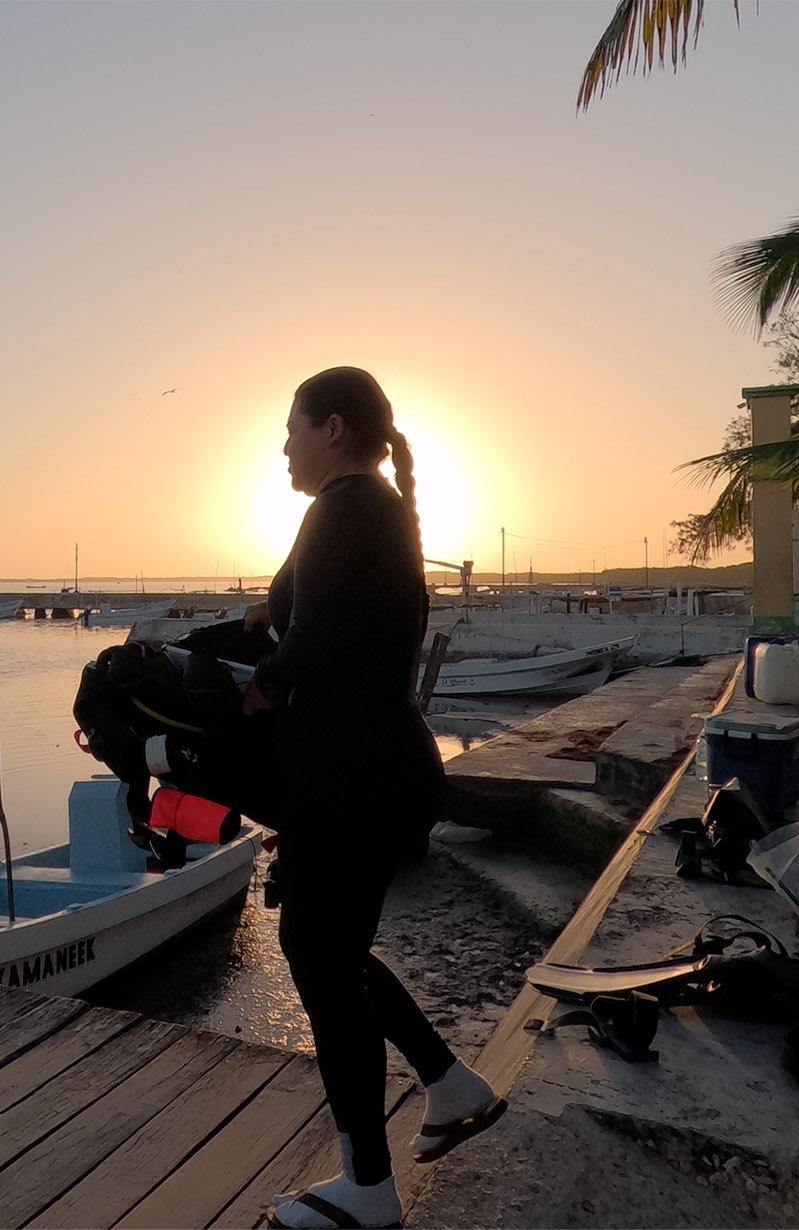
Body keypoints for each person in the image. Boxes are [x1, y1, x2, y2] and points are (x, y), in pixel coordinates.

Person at [242, 367, 504, 1230]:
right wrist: (256, 626)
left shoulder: (346, 511)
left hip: (353, 780)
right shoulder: (362, 512)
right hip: (370, 774)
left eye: (293, 427)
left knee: (318, 958)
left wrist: (255, 687)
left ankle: (367, 1188)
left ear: (333, 427)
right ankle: (450, 1084)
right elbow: (321, 621)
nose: (283, 445)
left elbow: (315, 650)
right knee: (335, 952)